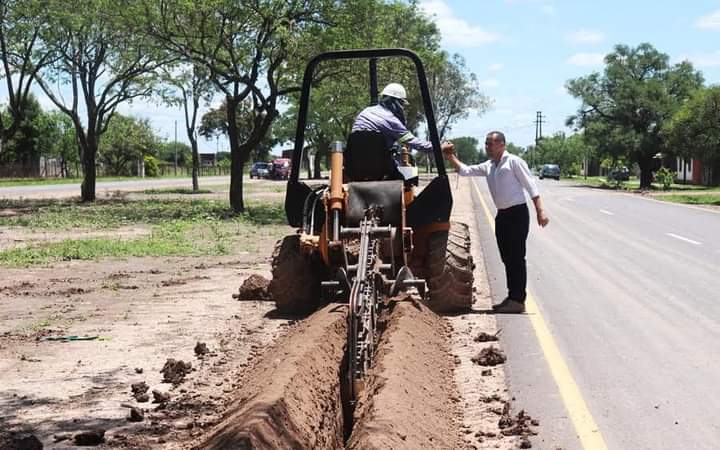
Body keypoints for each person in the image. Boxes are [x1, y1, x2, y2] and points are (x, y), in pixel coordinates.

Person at [443, 131, 549, 313]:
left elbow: (531, 186)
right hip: (502, 216)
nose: (487, 147)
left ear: (502, 144)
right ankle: (512, 297)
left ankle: (517, 300)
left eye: (490, 144)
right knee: (507, 258)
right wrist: (450, 156)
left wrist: (540, 211)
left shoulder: (514, 162)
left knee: (516, 257)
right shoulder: (489, 165)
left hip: (517, 214)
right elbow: (465, 170)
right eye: (486, 144)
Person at [351, 82, 454, 155]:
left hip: (354, 164)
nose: (402, 107)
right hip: (379, 166)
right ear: (396, 102)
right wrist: (440, 147)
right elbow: (415, 143)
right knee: (404, 179)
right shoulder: (391, 120)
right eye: (401, 103)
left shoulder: (365, 112)